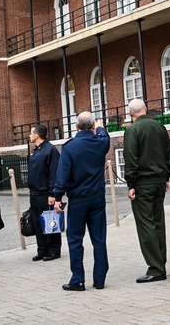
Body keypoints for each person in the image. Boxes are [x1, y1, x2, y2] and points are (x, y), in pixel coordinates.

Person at [50, 112, 111, 292]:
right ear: (92, 127)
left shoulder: (69, 147)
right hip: (97, 198)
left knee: (75, 239)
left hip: (77, 200)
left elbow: (62, 175)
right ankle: (99, 279)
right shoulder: (101, 142)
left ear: (76, 127)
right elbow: (104, 136)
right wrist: (100, 127)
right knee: (99, 239)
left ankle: (77, 279)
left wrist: (58, 197)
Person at [124, 99, 170, 283]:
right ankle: (160, 262)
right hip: (159, 180)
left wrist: (131, 184)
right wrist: (166, 177)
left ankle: (156, 268)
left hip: (143, 183)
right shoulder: (159, 127)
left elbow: (131, 158)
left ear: (130, 113)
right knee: (158, 222)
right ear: (146, 109)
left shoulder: (132, 130)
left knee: (146, 225)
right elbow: (169, 154)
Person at [27, 124, 62, 262]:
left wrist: (53, 194)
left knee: (50, 222)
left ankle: (54, 250)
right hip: (34, 192)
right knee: (37, 223)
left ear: (37, 135)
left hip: (45, 193)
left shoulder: (51, 150)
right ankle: (42, 250)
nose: (29, 136)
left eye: (31, 133)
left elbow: (54, 173)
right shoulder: (36, 150)